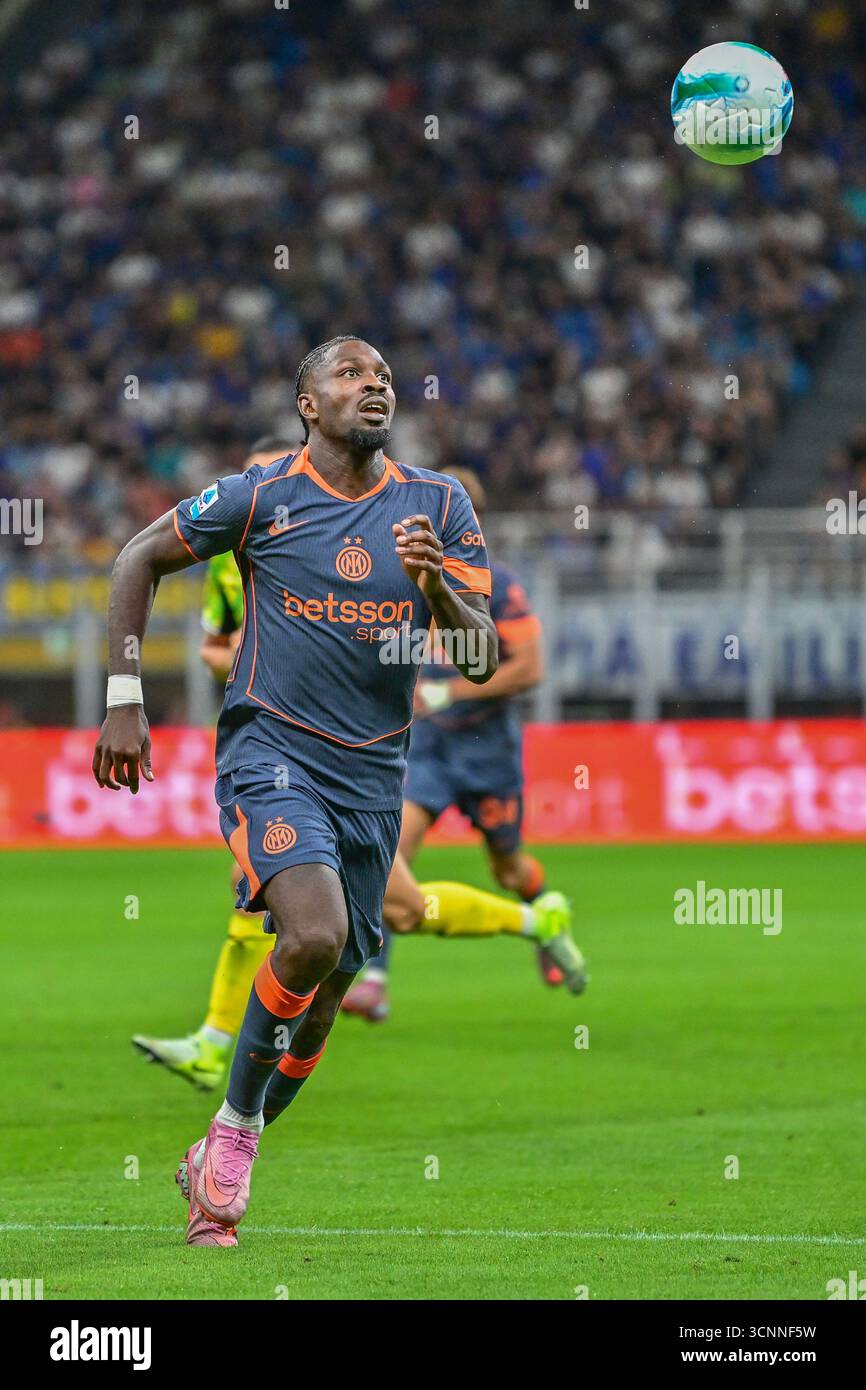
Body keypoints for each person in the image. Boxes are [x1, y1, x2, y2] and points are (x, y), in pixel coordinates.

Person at [93, 335, 585, 1247]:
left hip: (372, 778)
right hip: (270, 755)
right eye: (349, 374)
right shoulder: (260, 496)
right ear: (308, 405)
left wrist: (437, 587)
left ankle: (216, 1152)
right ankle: (235, 1141)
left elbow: (480, 660)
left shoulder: (439, 504)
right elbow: (135, 561)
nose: (374, 384)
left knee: (325, 996)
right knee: (311, 934)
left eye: (384, 376)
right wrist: (125, 702)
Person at [343, 468, 571, 1023]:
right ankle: (374, 980)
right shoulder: (404, 578)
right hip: (426, 750)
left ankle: (545, 919)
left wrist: (449, 689)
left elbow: (530, 667)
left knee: (508, 869)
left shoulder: (502, 586)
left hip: (487, 752)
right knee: (389, 856)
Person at [131, 436, 298, 1090]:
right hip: (271, 742)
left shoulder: (340, 545)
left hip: (348, 748)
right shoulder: (228, 561)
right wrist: (265, 663)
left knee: (391, 908)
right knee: (254, 885)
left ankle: (533, 915)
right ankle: (219, 1043)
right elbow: (211, 649)